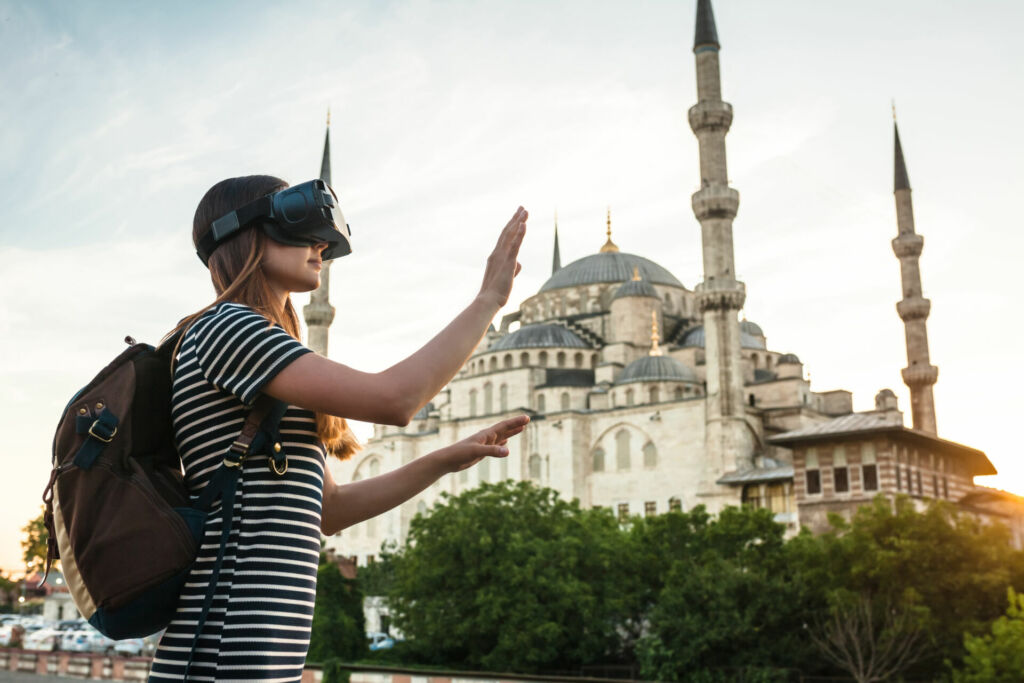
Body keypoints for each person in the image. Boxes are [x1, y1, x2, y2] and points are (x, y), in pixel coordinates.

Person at [148, 175, 529, 681]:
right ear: (248, 236)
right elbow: (396, 400)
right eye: (301, 229)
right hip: (220, 651)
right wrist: (487, 303)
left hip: (262, 653)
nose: (320, 245)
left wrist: (444, 458)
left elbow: (329, 511)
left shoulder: (266, 360)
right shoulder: (227, 328)